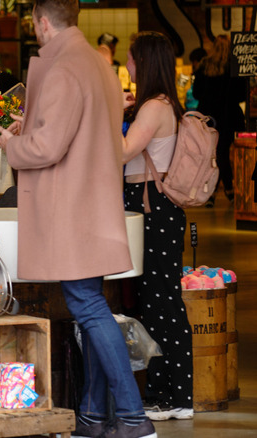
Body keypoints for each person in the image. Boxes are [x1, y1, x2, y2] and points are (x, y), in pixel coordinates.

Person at [0, 1, 156, 437]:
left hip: (70, 206)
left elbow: (47, 148)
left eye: (34, 25)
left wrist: (12, 143)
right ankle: (93, 416)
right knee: (93, 304)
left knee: (87, 307)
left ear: (42, 23)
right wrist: (34, 124)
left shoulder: (64, 67)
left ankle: (133, 417)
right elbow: (75, 129)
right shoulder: (98, 65)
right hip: (94, 201)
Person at [121, 31, 193, 422]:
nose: (127, 66)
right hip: (154, 207)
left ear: (143, 61)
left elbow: (123, 151)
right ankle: (169, 393)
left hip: (155, 207)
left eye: (130, 59)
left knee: (162, 301)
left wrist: (108, 114)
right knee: (158, 300)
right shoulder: (158, 104)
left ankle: (174, 396)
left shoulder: (154, 106)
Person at [193, 34, 246, 206]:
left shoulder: (204, 65)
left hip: (208, 118)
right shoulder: (234, 66)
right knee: (223, 153)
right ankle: (228, 190)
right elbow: (241, 95)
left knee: (212, 155)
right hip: (229, 117)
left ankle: (212, 192)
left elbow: (196, 93)